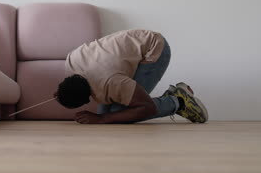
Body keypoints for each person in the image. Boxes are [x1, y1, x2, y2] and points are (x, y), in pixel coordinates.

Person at [55, 29, 208, 124]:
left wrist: (101, 119)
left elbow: (148, 108)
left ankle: (178, 101)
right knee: (107, 116)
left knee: (116, 115)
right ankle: (173, 99)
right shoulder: (72, 61)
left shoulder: (110, 82)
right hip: (133, 43)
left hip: (153, 48)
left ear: (88, 98)